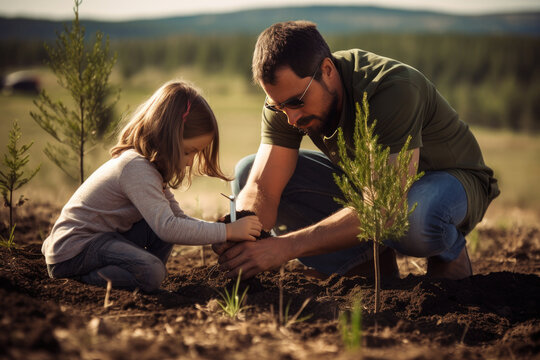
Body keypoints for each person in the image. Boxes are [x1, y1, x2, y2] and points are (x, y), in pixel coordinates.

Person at [214, 21, 499, 281]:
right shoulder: (287, 98)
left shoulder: (390, 88)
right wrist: (243, 232)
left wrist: (284, 248)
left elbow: (384, 207)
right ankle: (369, 267)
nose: (290, 118)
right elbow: (264, 185)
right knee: (248, 171)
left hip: (451, 181)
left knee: (414, 218)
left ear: (327, 69)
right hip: (371, 185)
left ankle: (449, 250)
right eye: (279, 107)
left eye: (297, 102)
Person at [42, 80, 262, 292]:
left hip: (103, 240)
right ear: (166, 138)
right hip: (75, 251)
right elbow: (169, 227)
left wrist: (220, 230)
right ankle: (84, 280)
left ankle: (139, 275)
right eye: (187, 151)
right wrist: (226, 231)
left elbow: (178, 220)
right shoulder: (135, 168)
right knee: (152, 272)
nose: (189, 161)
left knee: (158, 233)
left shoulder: (150, 168)